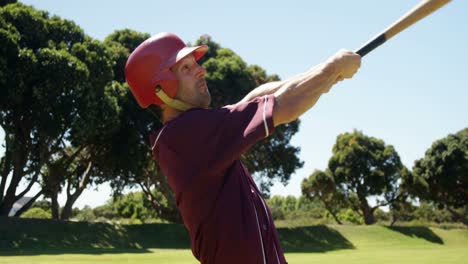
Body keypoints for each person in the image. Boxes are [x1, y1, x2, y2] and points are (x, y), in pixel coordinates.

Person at [125, 32, 361, 264]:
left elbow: (251, 101)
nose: (201, 70)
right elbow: (283, 104)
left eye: (194, 63)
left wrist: (320, 75)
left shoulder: (189, 136)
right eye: (185, 68)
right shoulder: (187, 134)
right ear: (160, 89)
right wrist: (331, 69)